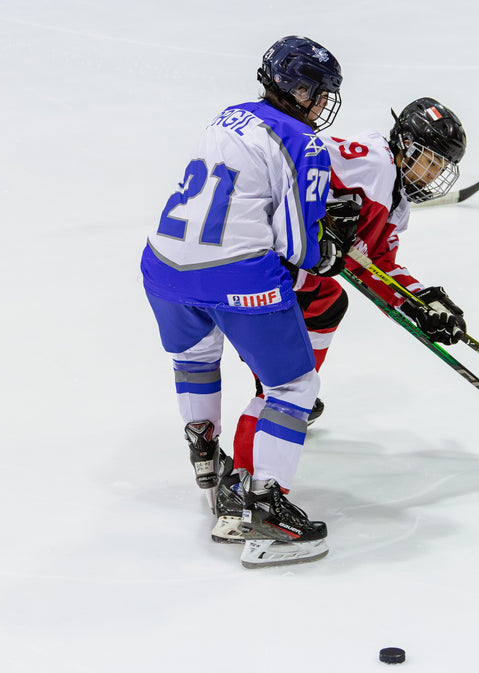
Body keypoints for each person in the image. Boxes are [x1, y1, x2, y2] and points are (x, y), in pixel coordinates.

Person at [210, 97, 469, 542]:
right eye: (429, 160)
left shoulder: (393, 197)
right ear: (404, 145)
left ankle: (283, 392)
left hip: (287, 265)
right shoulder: (372, 162)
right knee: (285, 385)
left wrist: (421, 302)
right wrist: (321, 215)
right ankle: (243, 484)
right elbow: (302, 159)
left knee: (327, 299)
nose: (433, 174)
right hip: (261, 256)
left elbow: (376, 262)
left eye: (443, 165)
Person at [140, 36, 355, 568]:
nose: (322, 102)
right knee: (294, 384)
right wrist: (333, 241)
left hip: (161, 266)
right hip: (236, 275)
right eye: (318, 91)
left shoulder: (228, 116)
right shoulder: (304, 142)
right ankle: (267, 507)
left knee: (195, 357)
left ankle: (206, 453)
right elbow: (302, 251)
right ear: (299, 89)